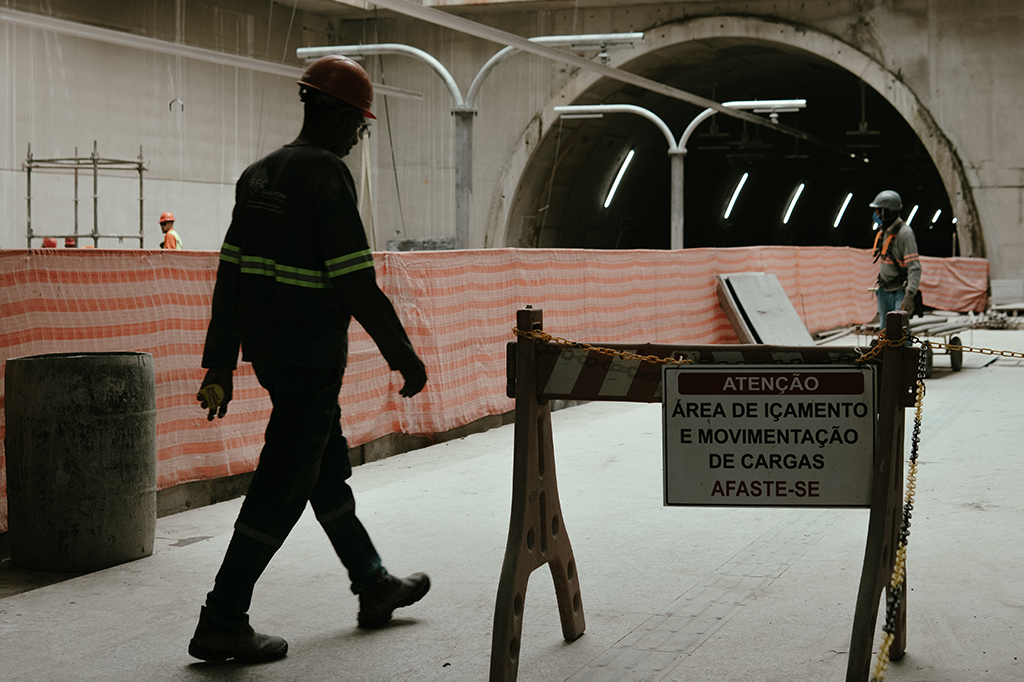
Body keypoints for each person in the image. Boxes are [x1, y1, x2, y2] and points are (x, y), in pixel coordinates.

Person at [188, 55, 430, 664]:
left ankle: (373, 584)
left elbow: (230, 276)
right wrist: (402, 353)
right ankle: (222, 618)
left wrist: (220, 362)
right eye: (359, 124)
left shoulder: (258, 175)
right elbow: (353, 280)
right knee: (282, 485)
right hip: (312, 357)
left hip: (273, 354)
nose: (357, 136)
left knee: (323, 470)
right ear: (342, 114)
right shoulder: (326, 175)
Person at [870, 189, 921, 326]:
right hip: (884, 290)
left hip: (900, 291)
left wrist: (909, 295)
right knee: (885, 331)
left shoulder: (905, 234)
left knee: (899, 332)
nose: (876, 214)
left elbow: (914, 268)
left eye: (878, 210)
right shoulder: (884, 231)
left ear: (887, 211)